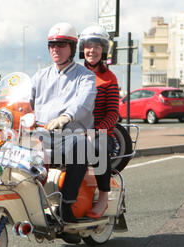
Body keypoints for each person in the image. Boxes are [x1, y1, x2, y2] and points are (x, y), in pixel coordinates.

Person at [30, 22, 97, 223]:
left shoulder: (85, 76)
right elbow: (26, 99)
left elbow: (83, 102)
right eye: (51, 45)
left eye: (61, 44)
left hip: (70, 134)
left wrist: (66, 117)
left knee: (81, 145)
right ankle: (29, 201)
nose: (55, 49)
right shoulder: (40, 75)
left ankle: (67, 205)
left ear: (72, 48)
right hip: (40, 133)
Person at [79, 25, 120, 219]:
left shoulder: (109, 78)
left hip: (101, 133)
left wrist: (96, 130)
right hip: (75, 131)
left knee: (98, 146)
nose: (92, 50)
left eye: (97, 46)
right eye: (88, 45)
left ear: (103, 50)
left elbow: (113, 114)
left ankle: (103, 196)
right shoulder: (74, 74)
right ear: (82, 48)